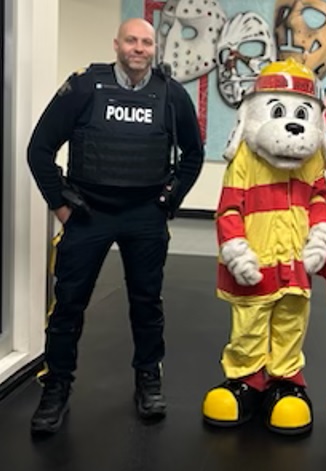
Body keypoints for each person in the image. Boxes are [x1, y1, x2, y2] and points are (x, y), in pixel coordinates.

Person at [26, 18, 204, 434]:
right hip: (89, 213)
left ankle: (148, 379)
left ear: (153, 49)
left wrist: (169, 202)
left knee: (147, 303)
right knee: (68, 305)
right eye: (131, 41)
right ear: (117, 44)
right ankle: (56, 387)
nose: (138, 48)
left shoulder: (170, 94)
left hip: (145, 215)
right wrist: (61, 207)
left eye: (146, 42)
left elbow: (192, 156)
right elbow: (39, 149)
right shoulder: (86, 87)